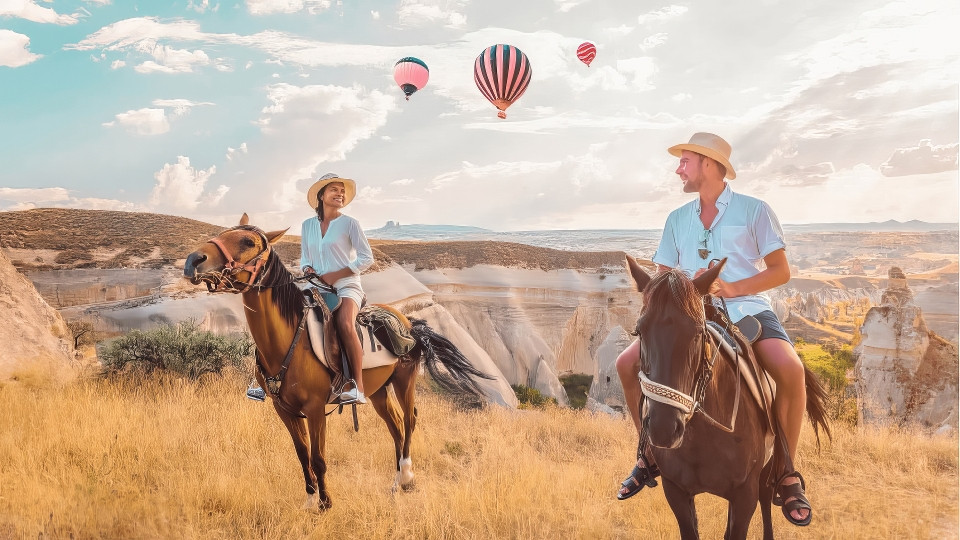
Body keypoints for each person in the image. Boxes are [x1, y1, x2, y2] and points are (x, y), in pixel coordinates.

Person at [615, 132, 813, 527]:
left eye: (684, 161)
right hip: (690, 315)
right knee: (625, 364)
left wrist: (733, 287)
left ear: (707, 163)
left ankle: (785, 470)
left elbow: (781, 271)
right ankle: (649, 453)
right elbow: (664, 277)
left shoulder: (754, 210)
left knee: (790, 370)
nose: (678, 169)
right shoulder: (677, 218)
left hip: (746, 309)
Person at [245, 173, 374, 405]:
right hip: (315, 285)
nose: (340, 194)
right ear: (321, 195)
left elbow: (367, 258)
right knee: (279, 316)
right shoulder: (308, 226)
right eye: (334, 189)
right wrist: (307, 268)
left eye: (342, 191)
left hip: (347, 286)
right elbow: (305, 257)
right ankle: (264, 382)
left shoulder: (350, 224)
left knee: (344, 322)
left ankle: (357, 387)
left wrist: (337, 274)